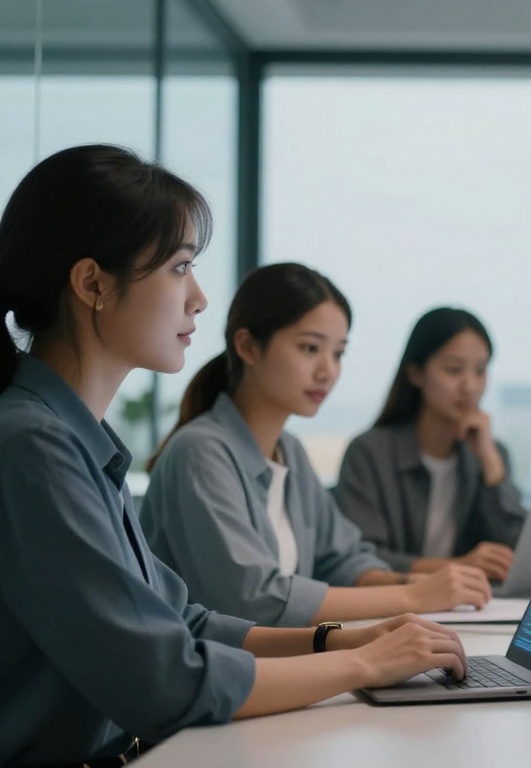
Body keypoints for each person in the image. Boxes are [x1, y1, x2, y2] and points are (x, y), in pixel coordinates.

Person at [0, 145, 470, 767]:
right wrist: (362, 663)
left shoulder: (79, 440)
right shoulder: (35, 444)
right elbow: (166, 678)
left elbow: (184, 623)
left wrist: (343, 640)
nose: (197, 297)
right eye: (178, 267)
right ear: (92, 283)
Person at [141, 264, 490, 627]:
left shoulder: (289, 451)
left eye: (338, 353)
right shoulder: (200, 452)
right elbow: (253, 600)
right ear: (247, 346)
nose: (328, 371)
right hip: (216, 678)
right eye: (310, 348)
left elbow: (341, 559)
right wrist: (412, 597)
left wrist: (402, 582)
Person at [335, 307, 526, 582]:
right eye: (453, 370)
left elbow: (517, 554)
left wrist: (491, 464)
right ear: (415, 373)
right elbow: (359, 557)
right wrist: (457, 566)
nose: (470, 385)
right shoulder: (369, 452)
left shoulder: (492, 454)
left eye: (481, 371)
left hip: (469, 610)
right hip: (393, 607)